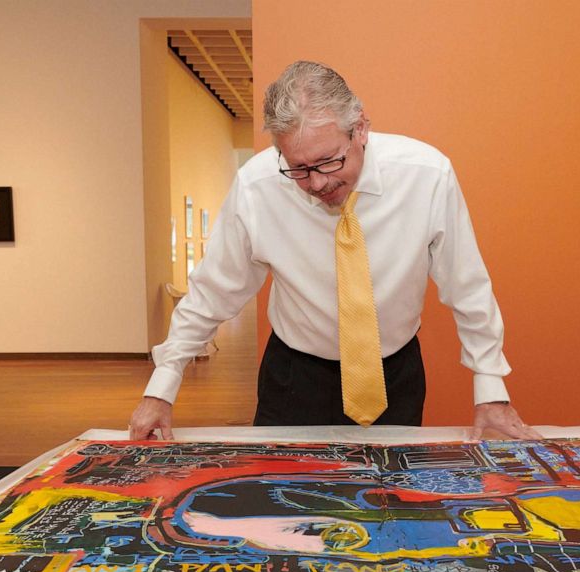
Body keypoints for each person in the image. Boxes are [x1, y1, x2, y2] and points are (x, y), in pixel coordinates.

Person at [129, 60, 540, 442]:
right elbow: (213, 291)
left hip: (393, 374)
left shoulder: (428, 176)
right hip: (294, 376)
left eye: (328, 162)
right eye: (298, 169)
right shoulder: (258, 187)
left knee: (389, 504)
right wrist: (162, 387)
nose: (317, 183)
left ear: (360, 129)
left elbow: (466, 285)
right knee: (280, 507)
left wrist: (490, 388)